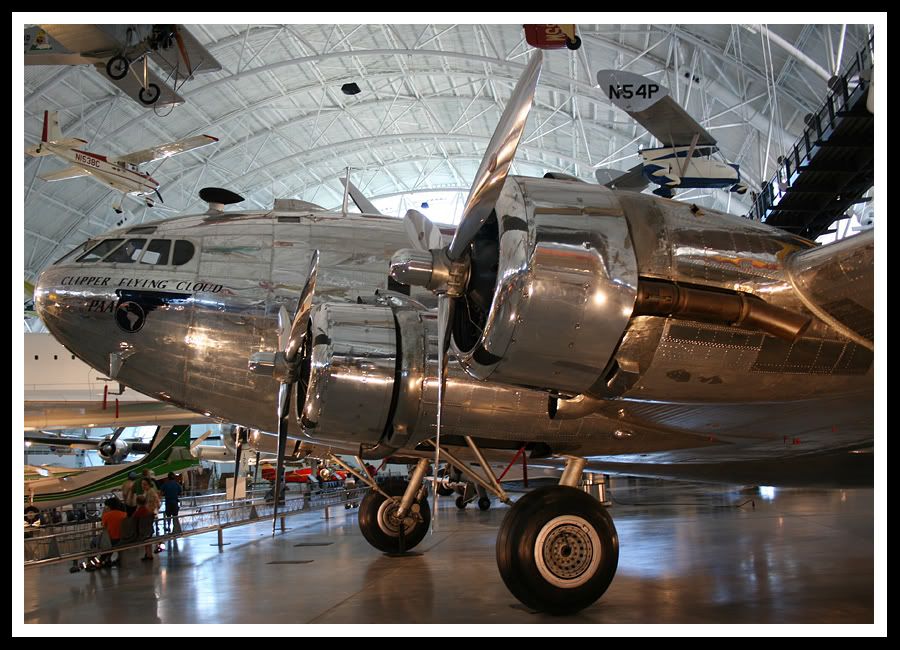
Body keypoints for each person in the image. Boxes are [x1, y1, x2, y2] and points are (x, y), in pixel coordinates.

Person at [99, 497, 127, 568]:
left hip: (111, 540)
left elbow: (103, 525)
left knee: (95, 542)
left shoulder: (107, 515)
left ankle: (101, 561)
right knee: (115, 545)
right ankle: (113, 559)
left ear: (108, 506)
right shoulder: (124, 514)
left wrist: (104, 513)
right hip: (123, 539)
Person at [131, 495, 156, 561]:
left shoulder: (139, 512)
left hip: (141, 532)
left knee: (146, 540)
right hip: (150, 530)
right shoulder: (148, 511)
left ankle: (148, 555)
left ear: (137, 502)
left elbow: (133, 520)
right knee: (148, 541)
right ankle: (149, 554)